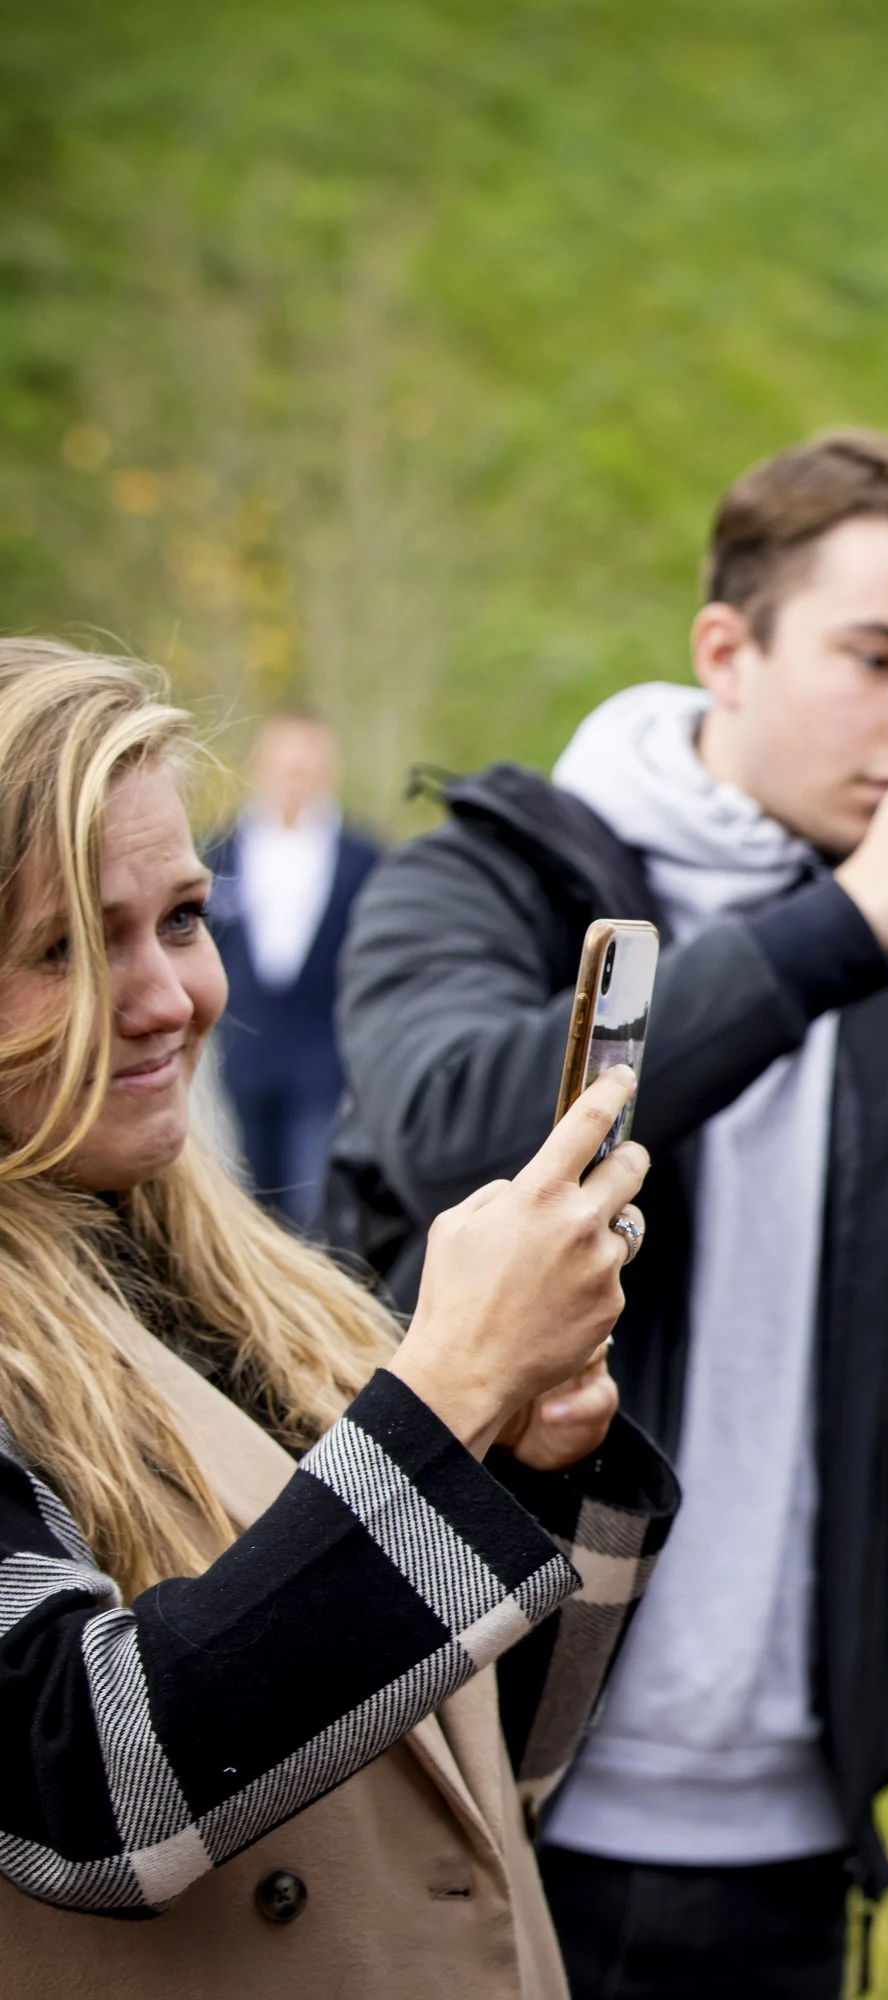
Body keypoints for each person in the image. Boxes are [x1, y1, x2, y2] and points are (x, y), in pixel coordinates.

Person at [323, 430, 888, 1996]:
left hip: (799, 1835)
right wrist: (853, 917)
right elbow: (452, 1127)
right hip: (464, 1782)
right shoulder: (493, 874)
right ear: (723, 654)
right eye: (877, 657)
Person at [0, 640, 674, 1997]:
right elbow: (93, 1795)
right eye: (71, 946)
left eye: (182, 918)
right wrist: (440, 1393)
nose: (170, 999)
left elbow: (488, 1783)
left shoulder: (269, 1286)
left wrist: (538, 1462)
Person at [204, 711, 382, 1232]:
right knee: (250, 1202)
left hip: (326, 1059)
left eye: (307, 763)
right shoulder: (218, 852)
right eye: (285, 763)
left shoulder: (363, 857)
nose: (295, 775)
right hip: (244, 1055)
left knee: (312, 1201)